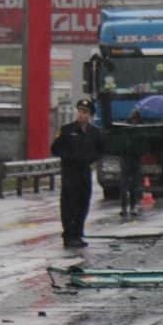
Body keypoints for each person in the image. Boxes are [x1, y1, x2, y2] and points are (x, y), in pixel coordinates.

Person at [51, 97, 106, 249]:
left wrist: (91, 159)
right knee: (69, 204)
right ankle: (69, 234)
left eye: (85, 112)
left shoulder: (95, 132)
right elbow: (55, 149)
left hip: (84, 172)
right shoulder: (67, 130)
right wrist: (68, 157)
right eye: (80, 111)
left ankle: (78, 233)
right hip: (70, 172)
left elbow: (101, 150)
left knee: (83, 203)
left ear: (91, 115)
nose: (82, 115)